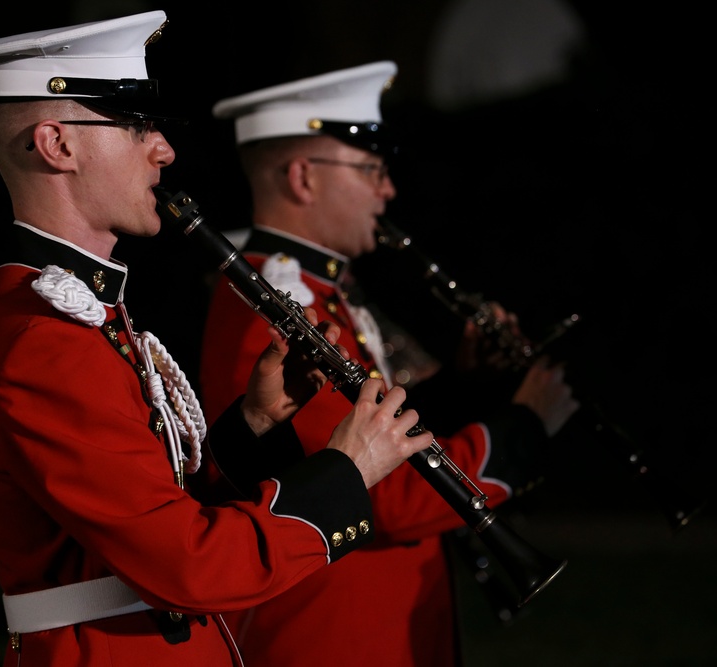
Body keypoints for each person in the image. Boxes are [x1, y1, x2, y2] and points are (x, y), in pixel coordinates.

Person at [0, 14, 436, 667]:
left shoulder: (79, 317)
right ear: (57, 145)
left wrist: (252, 427)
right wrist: (348, 471)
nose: (164, 150)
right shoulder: (41, 340)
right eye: (135, 123)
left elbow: (147, 510)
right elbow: (186, 564)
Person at [197, 61, 581, 667]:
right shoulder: (271, 308)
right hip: (333, 638)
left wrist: (460, 384)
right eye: (371, 170)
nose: (388, 190)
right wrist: (521, 431)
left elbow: (383, 431)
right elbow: (378, 492)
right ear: (303, 177)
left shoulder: (316, 292)